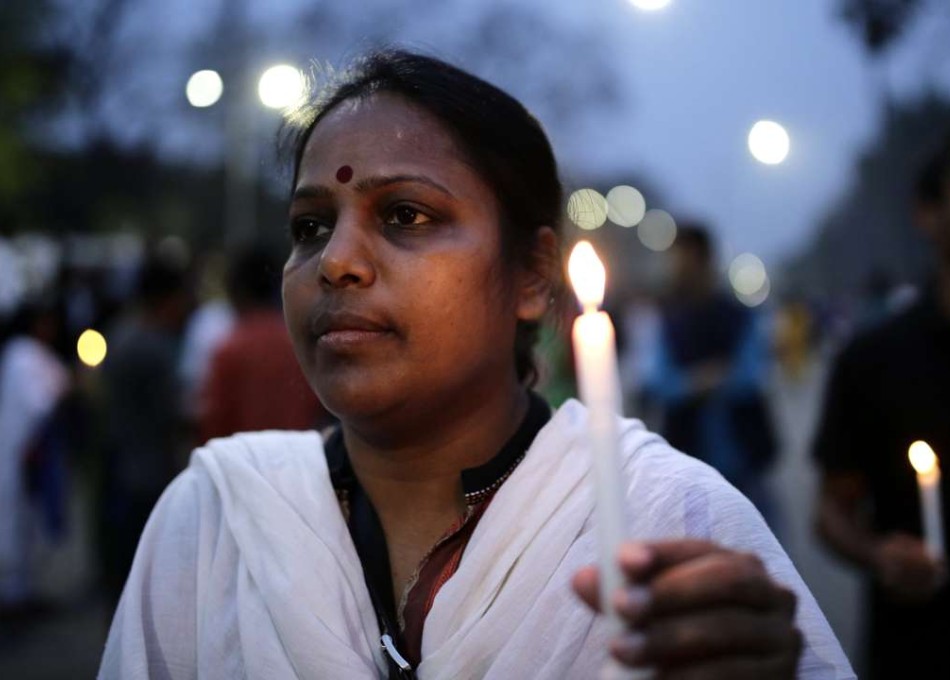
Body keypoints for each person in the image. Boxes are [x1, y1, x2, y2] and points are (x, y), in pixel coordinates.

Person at [99, 50, 853, 679]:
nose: (336, 262)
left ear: (530, 276)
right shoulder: (214, 523)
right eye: (310, 226)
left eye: (405, 215)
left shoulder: (670, 521)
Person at [813, 127, 950, 679]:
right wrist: (878, 555)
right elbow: (833, 510)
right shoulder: (874, 359)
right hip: (926, 649)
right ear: (928, 215)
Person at [645, 224, 779, 522]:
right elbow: (658, 382)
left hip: (744, 454)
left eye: (686, 259)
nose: (679, 268)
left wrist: (703, 382)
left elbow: (753, 374)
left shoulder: (737, 315)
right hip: (690, 457)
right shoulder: (667, 321)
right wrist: (701, 381)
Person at [98, 253, 192, 613]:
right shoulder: (151, 348)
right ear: (167, 298)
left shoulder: (121, 333)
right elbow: (170, 416)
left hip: (119, 467)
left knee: (122, 572)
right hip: (147, 476)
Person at [197, 246, 325, 443]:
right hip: (300, 460)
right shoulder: (300, 347)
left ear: (237, 291)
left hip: (241, 465)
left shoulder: (229, 350)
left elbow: (214, 422)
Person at [0, 300, 70, 613]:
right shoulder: (22, 354)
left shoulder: (30, 353)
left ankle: (23, 590)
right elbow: (39, 402)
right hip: (20, 447)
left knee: (28, 521)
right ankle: (14, 593)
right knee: (15, 520)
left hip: (34, 450)